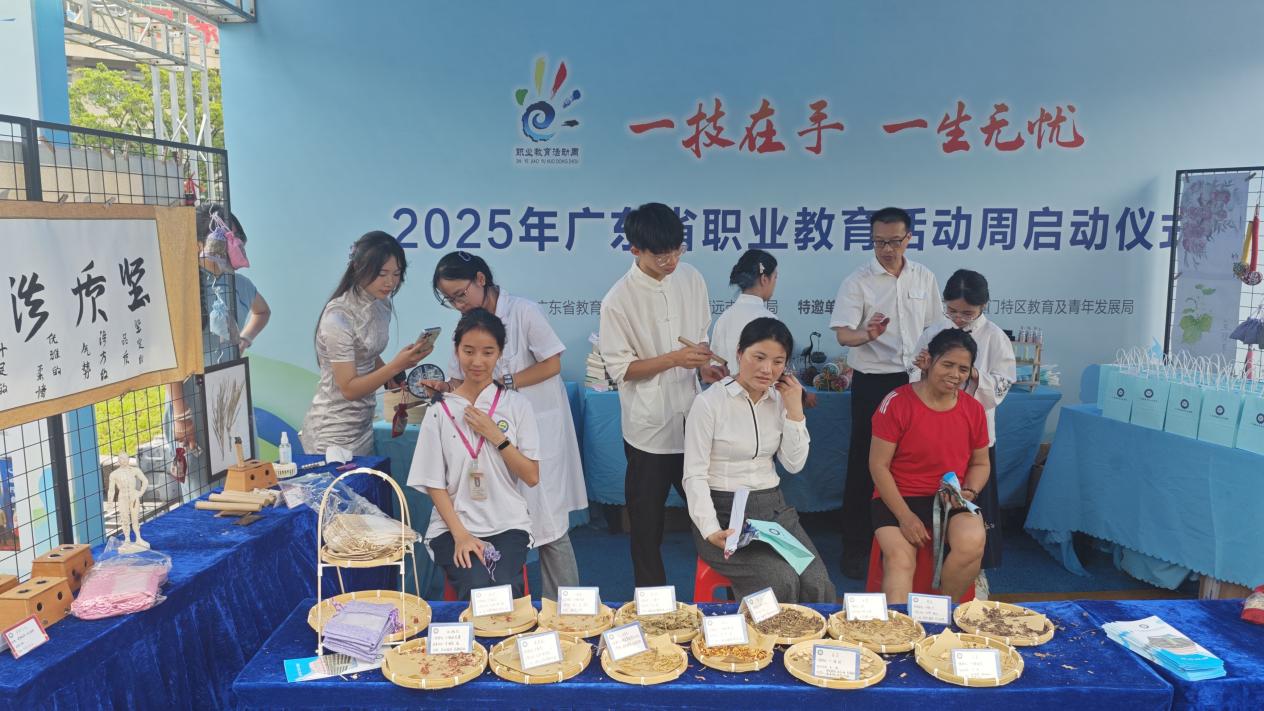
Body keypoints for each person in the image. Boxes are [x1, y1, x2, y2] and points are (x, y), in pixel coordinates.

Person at [427, 251, 587, 599]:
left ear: (480, 279)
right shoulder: (466, 327)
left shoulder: (524, 312)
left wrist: (506, 384)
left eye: (461, 295)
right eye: (450, 300)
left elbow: (552, 364)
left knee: (550, 523)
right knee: (503, 521)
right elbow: (460, 381)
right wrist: (444, 388)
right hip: (491, 437)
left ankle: (568, 610)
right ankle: (512, 605)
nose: (458, 305)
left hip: (535, 425)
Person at [599, 202, 724, 587]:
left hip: (693, 418)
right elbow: (621, 370)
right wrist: (674, 359)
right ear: (635, 250)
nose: (671, 261)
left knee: (713, 515)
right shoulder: (618, 300)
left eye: (677, 251)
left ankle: (728, 593)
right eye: (661, 255)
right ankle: (651, 603)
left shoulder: (692, 278)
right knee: (646, 526)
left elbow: (700, 338)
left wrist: (703, 365)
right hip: (648, 430)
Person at [683, 318, 835, 602]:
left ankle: (810, 634)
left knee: (817, 581)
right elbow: (694, 474)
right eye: (759, 357)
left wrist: (795, 412)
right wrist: (710, 529)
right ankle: (765, 633)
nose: (767, 369)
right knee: (780, 579)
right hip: (725, 513)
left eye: (778, 362)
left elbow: (794, 464)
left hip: (773, 512)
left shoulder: (781, 399)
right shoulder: (709, 403)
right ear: (739, 353)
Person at [829, 207, 942, 579]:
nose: (887, 250)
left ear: (909, 238)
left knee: (908, 463)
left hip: (915, 381)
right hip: (874, 382)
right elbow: (844, 335)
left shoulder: (924, 277)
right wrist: (868, 334)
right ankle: (856, 547)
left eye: (894, 241)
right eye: (879, 242)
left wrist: (933, 361)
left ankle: (905, 537)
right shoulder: (858, 281)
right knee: (867, 462)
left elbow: (935, 328)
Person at [408, 309, 540, 600]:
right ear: (456, 351)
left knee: (504, 587)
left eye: (487, 352)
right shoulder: (439, 410)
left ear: (500, 353)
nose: (477, 361)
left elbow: (531, 476)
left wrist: (496, 436)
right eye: (468, 351)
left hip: (508, 523)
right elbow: (433, 483)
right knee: (477, 585)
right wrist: (461, 535)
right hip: (452, 526)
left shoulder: (517, 406)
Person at [869, 328, 990, 603]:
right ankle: (898, 627)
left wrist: (969, 492)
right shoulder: (896, 403)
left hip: (950, 498)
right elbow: (878, 466)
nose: (954, 375)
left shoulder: (974, 410)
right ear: (929, 361)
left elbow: (981, 463)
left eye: (963, 369)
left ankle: (941, 614)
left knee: (973, 542)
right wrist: (905, 516)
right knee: (901, 560)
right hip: (897, 497)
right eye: (947, 364)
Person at [910, 269, 1016, 569]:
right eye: (952, 310)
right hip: (936, 429)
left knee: (972, 496)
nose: (958, 318)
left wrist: (972, 374)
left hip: (975, 432)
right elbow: (913, 378)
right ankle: (935, 561)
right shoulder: (934, 332)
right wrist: (923, 368)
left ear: (983, 305)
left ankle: (974, 565)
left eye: (967, 313)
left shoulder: (994, 337)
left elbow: (1002, 385)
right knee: (932, 495)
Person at [169, 204, 271, 500]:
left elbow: (263, 311)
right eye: (223, 240)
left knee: (244, 480)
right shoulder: (184, 288)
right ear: (197, 245)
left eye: (233, 240)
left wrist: (244, 339)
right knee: (202, 492)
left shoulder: (239, 283)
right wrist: (180, 414)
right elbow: (171, 357)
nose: (230, 248)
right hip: (192, 399)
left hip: (231, 391)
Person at [300, 231, 431, 456]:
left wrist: (390, 377)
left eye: (397, 273)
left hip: (363, 426)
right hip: (331, 432)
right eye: (382, 273)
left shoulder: (382, 304)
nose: (390, 282)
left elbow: (367, 352)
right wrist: (396, 366)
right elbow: (349, 389)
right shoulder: (338, 317)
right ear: (358, 267)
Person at [710, 250, 778, 369]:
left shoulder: (724, 318)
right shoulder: (770, 321)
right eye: (775, 277)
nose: (775, 284)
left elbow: (715, 367)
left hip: (725, 381)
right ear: (764, 279)